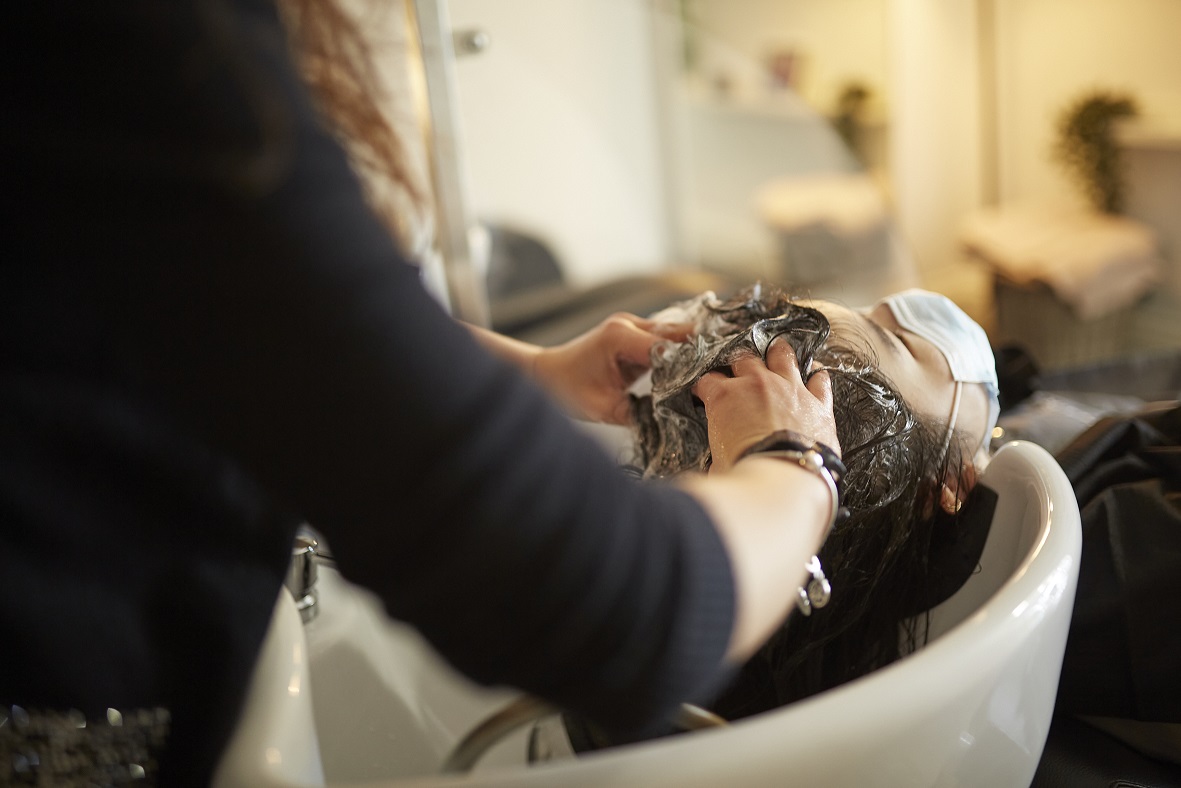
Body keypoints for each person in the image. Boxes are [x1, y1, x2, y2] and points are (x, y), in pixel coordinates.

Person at [1, 2, 847, 784]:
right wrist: (797, 463)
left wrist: (523, 371)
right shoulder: (136, 42)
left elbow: (228, 316)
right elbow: (625, 605)